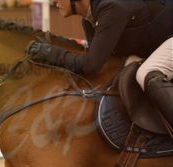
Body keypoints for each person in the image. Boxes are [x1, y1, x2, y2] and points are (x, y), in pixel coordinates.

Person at [27, 0, 173, 125]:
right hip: (155, 44)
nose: (54, 1)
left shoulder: (112, 6)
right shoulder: (89, 20)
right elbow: (98, 63)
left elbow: (91, 65)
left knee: (147, 73)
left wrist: (51, 54)